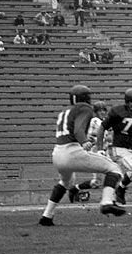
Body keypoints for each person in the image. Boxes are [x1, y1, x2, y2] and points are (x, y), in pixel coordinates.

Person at [39, 85, 127, 225]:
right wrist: (84, 141)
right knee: (114, 169)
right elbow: (78, 129)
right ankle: (106, 202)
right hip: (72, 152)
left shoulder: (64, 111)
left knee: (66, 182)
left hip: (57, 153)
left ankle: (46, 216)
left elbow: (70, 131)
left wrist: (86, 139)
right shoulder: (84, 108)